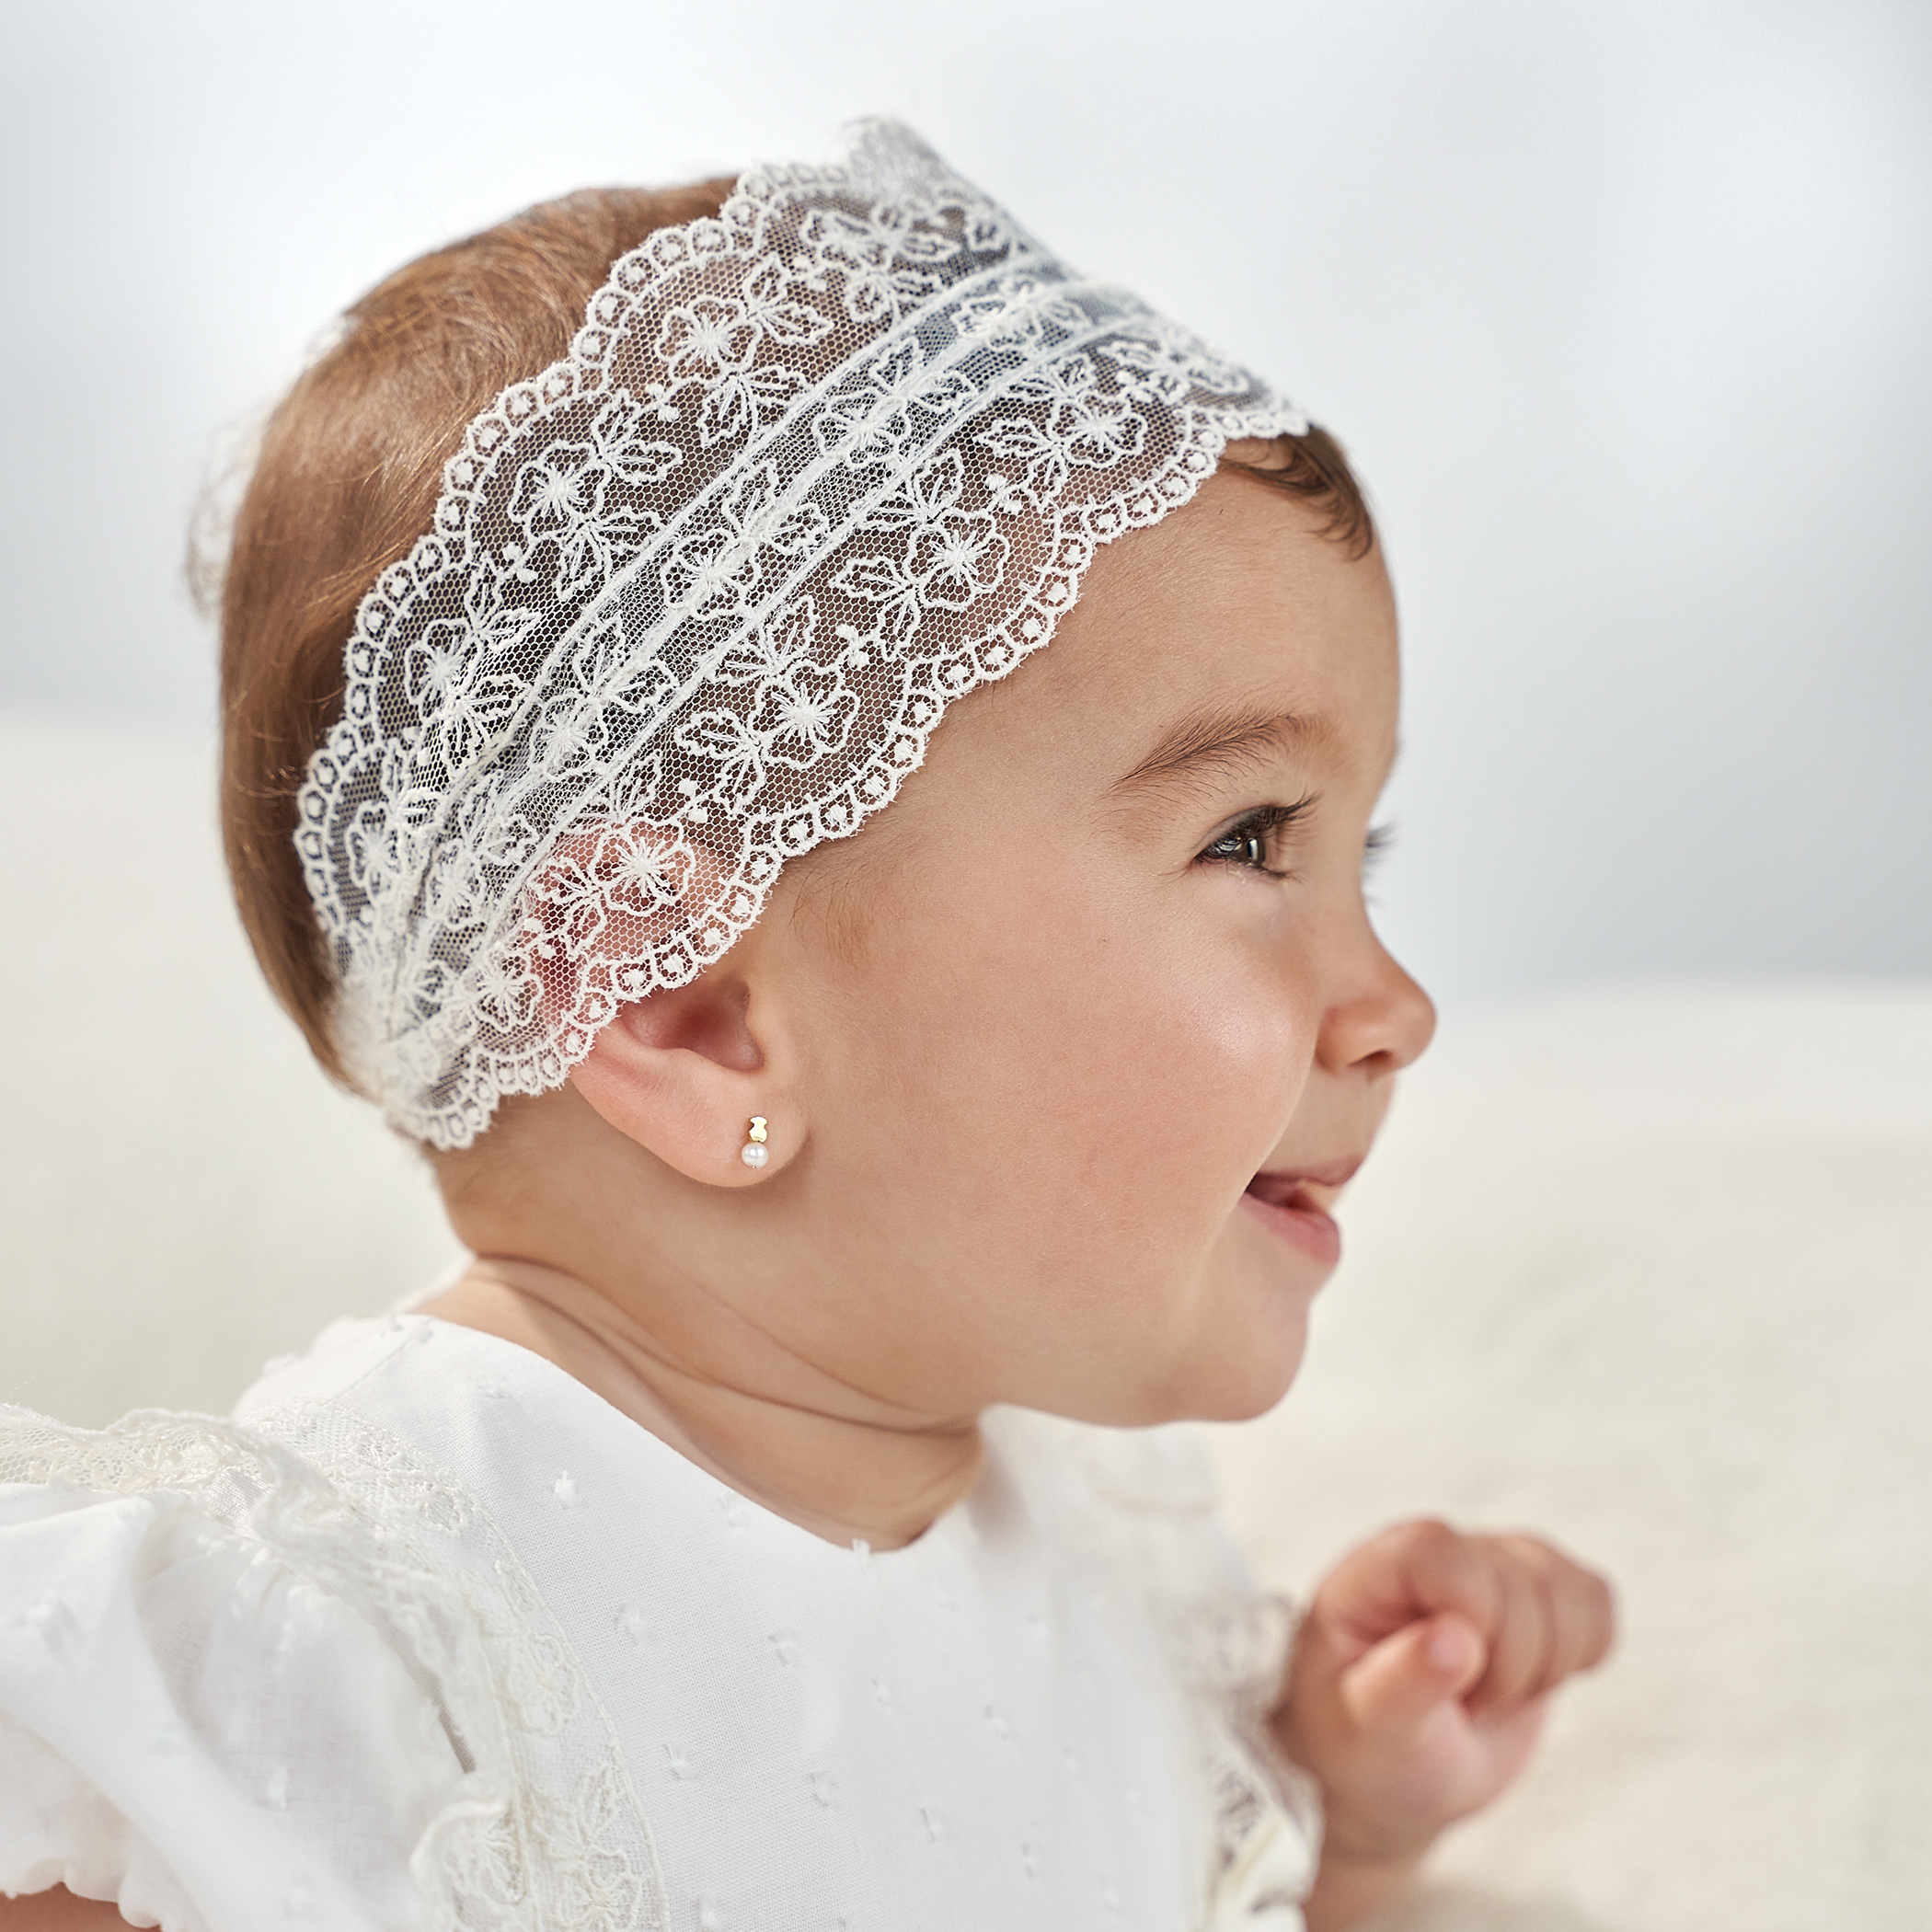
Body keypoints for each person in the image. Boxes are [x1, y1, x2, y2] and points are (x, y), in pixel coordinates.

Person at [0, 121, 1613, 1932]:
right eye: (1249, 841)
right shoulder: (322, 1635)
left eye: (1359, 852)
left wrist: (1334, 1830)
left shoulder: (1113, 1578)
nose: (1398, 1008)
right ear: (687, 1012)